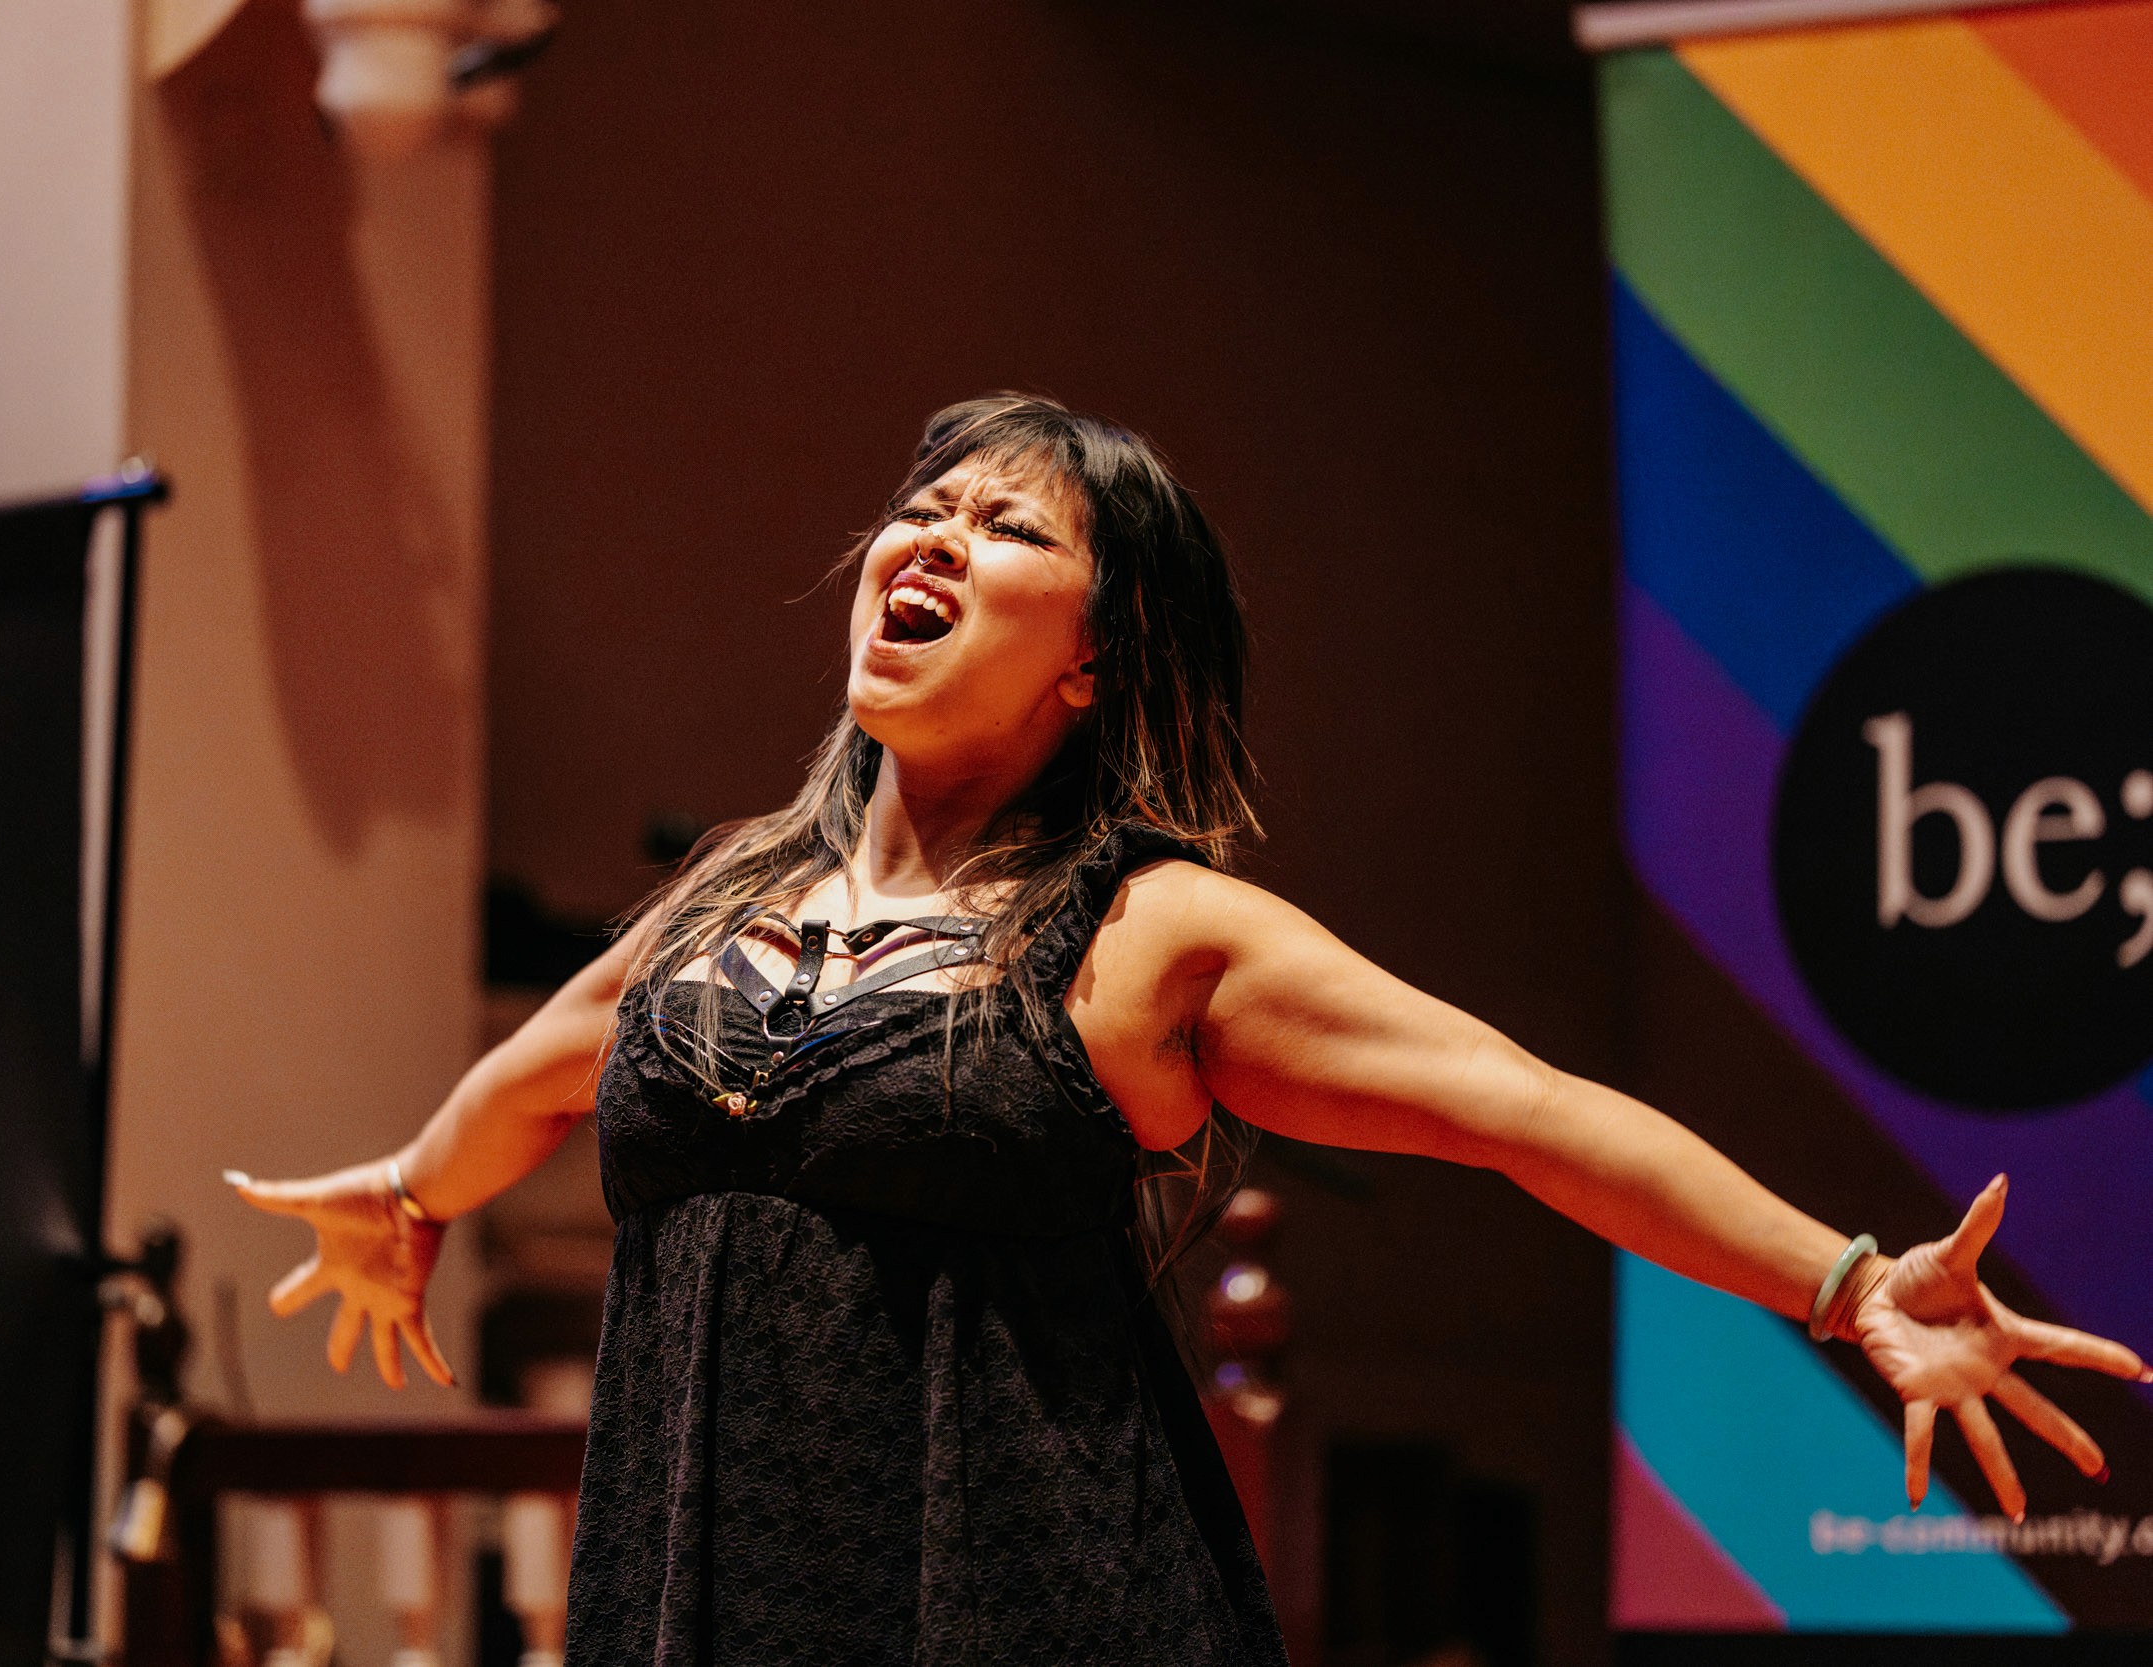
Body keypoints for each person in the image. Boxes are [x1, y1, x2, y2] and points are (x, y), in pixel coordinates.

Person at [230, 393, 2147, 1665]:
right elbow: (553, 1064)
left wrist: (1846, 1284)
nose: (935, 535)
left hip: (1030, 1607)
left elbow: (1525, 1112)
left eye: (1005, 528)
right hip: (705, 1607)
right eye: (925, 507)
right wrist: (412, 1190)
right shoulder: (734, 899)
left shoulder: (1154, 934)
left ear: (1095, 658)